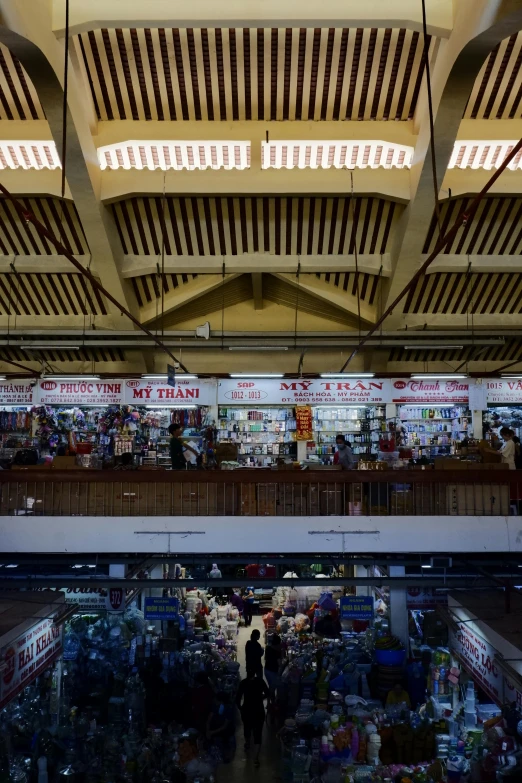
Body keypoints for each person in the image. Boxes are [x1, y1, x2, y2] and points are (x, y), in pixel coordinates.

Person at [236, 669, 269, 767]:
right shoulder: (260, 681)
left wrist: (240, 708)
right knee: (258, 733)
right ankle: (256, 758)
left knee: (247, 728)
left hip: (247, 710)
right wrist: (261, 698)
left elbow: (238, 698)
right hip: (259, 710)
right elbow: (268, 693)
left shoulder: (243, 683)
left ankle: (247, 743)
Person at [206, 692, 235, 763]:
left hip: (227, 729)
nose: (214, 700)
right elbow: (208, 720)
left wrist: (211, 732)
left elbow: (225, 726)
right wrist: (207, 731)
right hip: (217, 728)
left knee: (229, 742)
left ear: (221, 701)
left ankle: (228, 756)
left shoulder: (229, 708)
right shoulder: (215, 706)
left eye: (216, 699)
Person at [264, 633, 282, 700]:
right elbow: (280, 664)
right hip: (273, 671)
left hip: (266, 670)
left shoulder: (268, 648)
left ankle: (269, 703)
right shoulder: (277, 652)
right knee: (272, 688)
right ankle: (272, 703)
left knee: (271, 687)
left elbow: (265, 658)